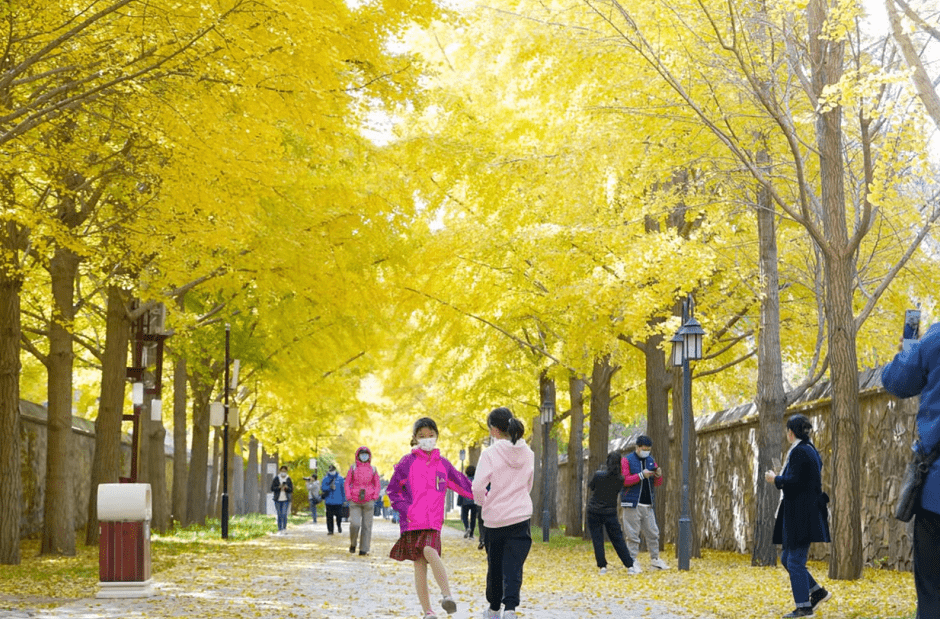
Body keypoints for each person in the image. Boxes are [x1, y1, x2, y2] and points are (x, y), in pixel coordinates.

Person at [882, 322, 940, 618]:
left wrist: (909, 346)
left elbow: (896, 381)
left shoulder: (935, 338)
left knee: (932, 594)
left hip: (936, 493)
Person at [387, 417, 472, 619]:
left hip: (433, 522)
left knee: (429, 550)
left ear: (436, 436)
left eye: (430, 435)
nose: (427, 439)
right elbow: (393, 491)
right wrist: (407, 510)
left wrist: (486, 495)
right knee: (419, 565)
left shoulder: (443, 464)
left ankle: (447, 595)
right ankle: (428, 612)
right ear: (415, 438)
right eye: (422, 436)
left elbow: (463, 484)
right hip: (412, 522)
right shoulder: (406, 463)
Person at [763, 414, 832, 618]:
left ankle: (804, 607)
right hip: (803, 513)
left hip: (802, 515)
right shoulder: (809, 450)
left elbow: (794, 483)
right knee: (787, 558)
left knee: (794, 561)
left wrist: (775, 479)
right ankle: (818, 592)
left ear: (790, 433)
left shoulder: (800, 452)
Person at [472, 407, 534, 619]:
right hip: (520, 516)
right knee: (514, 565)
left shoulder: (489, 454)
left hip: (495, 518)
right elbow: (529, 484)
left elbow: (478, 486)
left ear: (495, 430)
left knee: (495, 565)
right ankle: (510, 609)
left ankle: (494, 609)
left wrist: (484, 503)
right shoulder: (529, 453)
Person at [619, 435, 669, 570]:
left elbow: (657, 483)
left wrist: (658, 475)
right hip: (632, 503)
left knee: (653, 533)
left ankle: (655, 559)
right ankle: (632, 561)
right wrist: (641, 475)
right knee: (632, 535)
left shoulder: (651, 460)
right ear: (638, 447)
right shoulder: (626, 460)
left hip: (648, 504)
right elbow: (624, 480)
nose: (647, 451)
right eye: (644, 449)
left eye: (649, 449)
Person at [587, 452, 639, 575]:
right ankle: (629, 565)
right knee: (618, 539)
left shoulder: (598, 475)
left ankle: (602, 566)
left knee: (597, 539)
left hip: (594, 511)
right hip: (610, 512)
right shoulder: (620, 479)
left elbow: (592, 487)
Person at [346, 446, 382, 556]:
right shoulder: (353, 468)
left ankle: (364, 548)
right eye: (362, 454)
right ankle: (353, 543)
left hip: (368, 501)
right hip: (355, 501)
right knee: (354, 524)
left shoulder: (373, 469)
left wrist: (375, 495)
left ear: (369, 456)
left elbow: (377, 484)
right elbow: (347, 482)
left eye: (366, 454)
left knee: (367, 526)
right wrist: (349, 495)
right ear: (358, 455)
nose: (364, 456)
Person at [321, 463, 346, 535]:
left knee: (339, 515)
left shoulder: (340, 479)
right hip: (329, 501)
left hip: (338, 501)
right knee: (329, 517)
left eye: (332, 470)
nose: (331, 472)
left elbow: (343, 490)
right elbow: (322, 488)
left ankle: (339, 525)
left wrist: (344, 500)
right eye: (330, 470)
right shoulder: (325, 479)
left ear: (335, 470)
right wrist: (329, 488)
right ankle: (330, 530)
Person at [270, 465, 293, 534]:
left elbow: (291, 490)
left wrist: (287, 488)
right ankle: (279, 528)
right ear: (280, 471)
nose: (283, 472)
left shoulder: (288, 479)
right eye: (282, 471)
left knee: (284, 514)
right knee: (279, 514)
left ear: (286, 472)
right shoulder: (276, 478)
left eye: (285, 471)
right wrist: (279, 487)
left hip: (286, 499)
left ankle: (284, 528)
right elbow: (272, 488)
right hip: (277, 499)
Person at [458, 465, 479, 539]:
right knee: (473, 518)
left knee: (464, 516)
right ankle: (471, 535)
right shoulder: (477, 480)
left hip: (465, 501)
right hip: (474, 501)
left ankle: (467, 528)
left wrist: (459, 502)